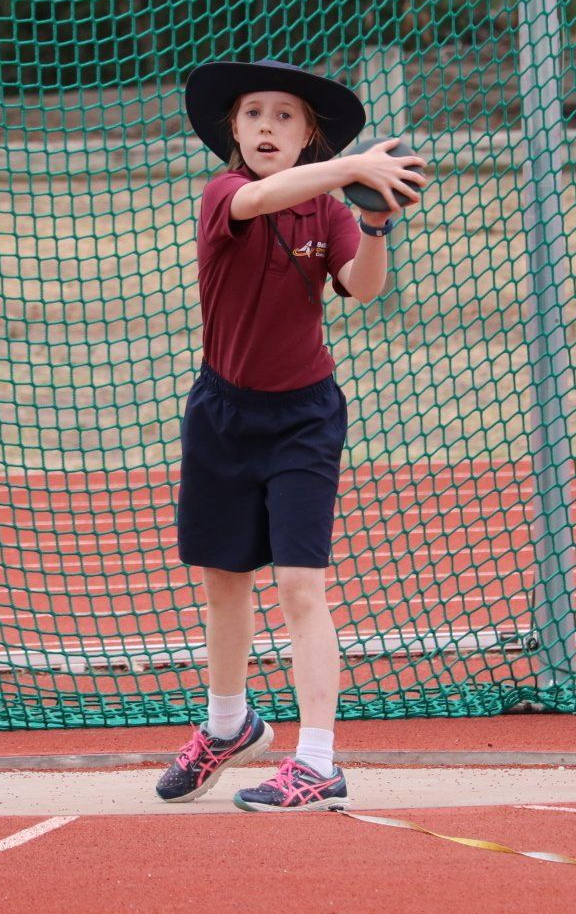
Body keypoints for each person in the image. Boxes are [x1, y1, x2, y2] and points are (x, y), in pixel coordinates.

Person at [155, 57, 426, 812]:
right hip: (222, 413)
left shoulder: (328, 211)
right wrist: (354, 166)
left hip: (304, 417)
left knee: (301, 586)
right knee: (223, 580)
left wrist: (374, 223)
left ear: (308, 135)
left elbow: (363, 287)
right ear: (234, 131)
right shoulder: (225, 194)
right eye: (253, 114)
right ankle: (229, 726)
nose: (267, 126)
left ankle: (316, 761)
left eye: (284, 116)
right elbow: (263, 197)